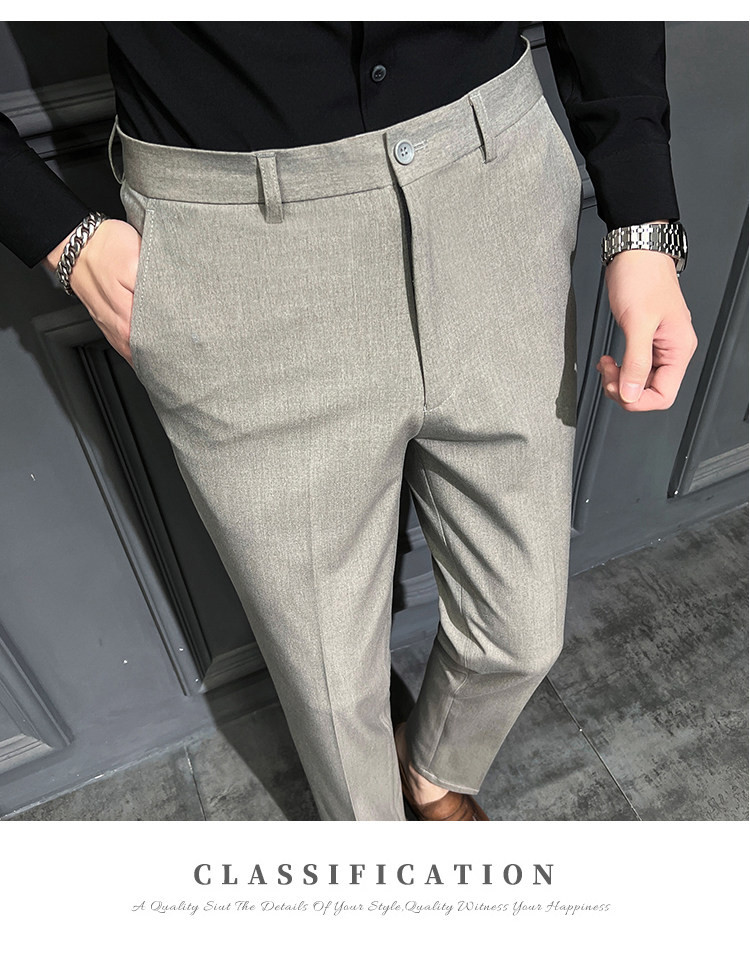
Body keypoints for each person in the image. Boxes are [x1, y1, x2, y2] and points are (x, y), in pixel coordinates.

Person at [0, 22, 697, 821]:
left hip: (490, 190)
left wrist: (643, 219)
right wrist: (60, 236)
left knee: (522, 631)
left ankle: (431, 769)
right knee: (329, 687)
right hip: (235, 242)